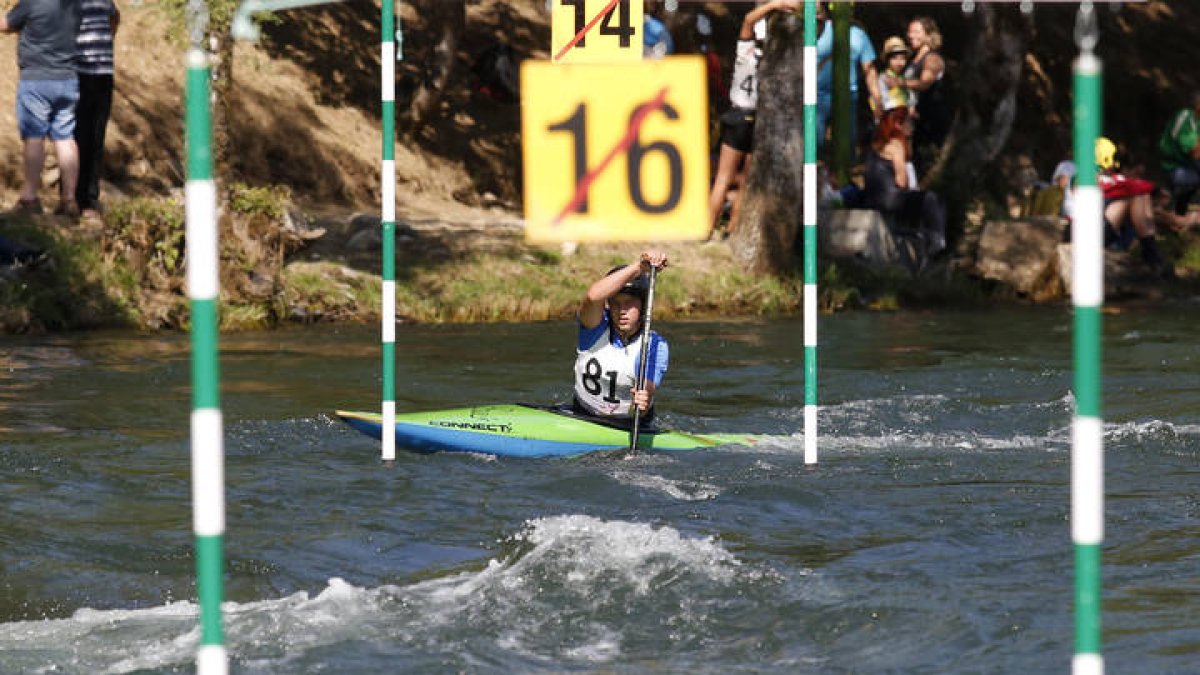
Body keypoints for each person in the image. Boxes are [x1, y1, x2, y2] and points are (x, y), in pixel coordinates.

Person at [706, 0, 799, 239]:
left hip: (739, 115)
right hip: (759, 120)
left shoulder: (745, 50)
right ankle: (732, 229)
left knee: (723, 178)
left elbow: (748, 20)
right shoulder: (775, 60)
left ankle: (706, 229)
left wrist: (773, 5)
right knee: (746, 181)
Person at [1, 0, 82, 217]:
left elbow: (5, 24)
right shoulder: (74, 4)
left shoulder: (31, 3)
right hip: (68, 78)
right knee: (65, 137)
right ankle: (69, 199)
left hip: (36, 80)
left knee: (34, 137)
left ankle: (29, 198)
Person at [573, 252, 669, 425]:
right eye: (616, 303)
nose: (621, 310)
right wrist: (639, 267)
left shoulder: (654, 344)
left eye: (629, 302)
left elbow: (647, 386)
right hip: (582, 413)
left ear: (643, 306)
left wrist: (643, 399)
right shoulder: (594, 327)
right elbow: (593, 296)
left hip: (628, 422)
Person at [1095, 137, 1194, 278]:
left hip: (1105, 228)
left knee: (1140, 197)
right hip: (1090, 234)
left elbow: (1127, 187)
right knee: (1138, 194)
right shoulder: (1086, 178)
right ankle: (1151, 251)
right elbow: (1125, 186)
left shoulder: (1107, 179)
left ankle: (1150, 252)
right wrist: (1155, 191)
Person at [862, 107, 946, 262]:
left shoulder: (877, 145)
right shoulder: (896, 145)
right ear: (898, 125)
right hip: (890, 198)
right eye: (909, 122)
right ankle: (936, 240)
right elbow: (902, 181)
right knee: (931, 199)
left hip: (872, 198)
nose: (912, 126)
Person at [815, 2, 882, 155]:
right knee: (815, 143)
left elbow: (869, 69)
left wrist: (877, 96)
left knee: (846, 146)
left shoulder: (859, 34)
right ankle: (817, 176)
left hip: (847, 97)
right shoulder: (820, 28)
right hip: (818, 96)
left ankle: (841, 177)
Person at [889, 16, 950, 180]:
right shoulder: (913, 58)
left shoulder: (932, 58)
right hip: (915, 119)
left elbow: (924, 83)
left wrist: (899, 82)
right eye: (909, 32)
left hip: (931, 118)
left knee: (928, 159)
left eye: (916, 31)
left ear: (928, 35)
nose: (911, 35)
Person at [74, 0, 119, 217]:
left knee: (93, 136)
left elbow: (115, 16)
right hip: (84, 72)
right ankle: (79, 197)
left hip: (98, 73)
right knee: (83, 136)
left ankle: (87, 198)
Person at [1157, 92, 1200, 217]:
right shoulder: (1186, 118)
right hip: (1173, 167)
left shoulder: (1196, 120)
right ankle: (1174, 209)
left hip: (1187, 164)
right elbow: (1195, 153)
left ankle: (1179, 210)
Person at [876, 35, 913, 116]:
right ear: (887, 60)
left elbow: (909, 97)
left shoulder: (905, 77)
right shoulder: (883, 78)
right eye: (894, 58)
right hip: (891, 119)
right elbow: (884, 101)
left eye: (903, 58)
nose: (899, 62)